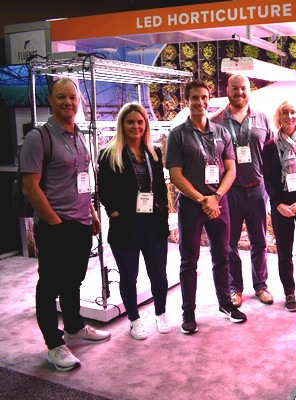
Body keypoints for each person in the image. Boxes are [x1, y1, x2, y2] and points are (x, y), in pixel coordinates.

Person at [20, 77, 110, 372]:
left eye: (72, 97)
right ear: (51, 100)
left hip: (81, 222)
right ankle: (54, 344)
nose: (68, 102)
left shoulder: (79, 135)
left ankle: (74, 327)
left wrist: (92, 213)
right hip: (55, 225)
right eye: (61, 97)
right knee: (49, 285)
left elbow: (82, 180)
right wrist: (55, 223)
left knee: (74, 280)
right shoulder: (39, 137)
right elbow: (30, 187)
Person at [166, 79, 247, 334]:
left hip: (219, 204)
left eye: (204, 97)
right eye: (195, 98)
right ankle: (188, 312)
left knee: (222, 255)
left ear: (209, 100)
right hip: (192, 205)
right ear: (186, 101)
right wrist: (203, 200)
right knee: (189, 260)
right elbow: (176, 175)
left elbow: (231, 170)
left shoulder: (221, 132)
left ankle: (225, 304)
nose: (200, 102)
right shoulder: (178, 134)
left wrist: (216, 197)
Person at [97, 102, 172, 340]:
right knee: (129, 275)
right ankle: (134, 319)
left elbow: (160, 187)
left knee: (158, 274)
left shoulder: (153, 152)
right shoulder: (109, 154)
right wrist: (114, 213)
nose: (136, 126)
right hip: (125, 225)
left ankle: (161, 313)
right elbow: (104, 190)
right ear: (122, 124)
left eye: (140, 122)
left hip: (153, 223)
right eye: (130, 122)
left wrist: (164, 213)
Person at [210, 74, 274, 308]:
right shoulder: (216, 121)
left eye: (244, 89)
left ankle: (261, 286)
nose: (240, 93)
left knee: (260, 241)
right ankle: (235, 288)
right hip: (230, 192)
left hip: (257, 189)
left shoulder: (263, 118)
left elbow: (270, 155)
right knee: (230, 243)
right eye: (235, 88)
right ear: (227, 90)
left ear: (250, 90)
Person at [263, 101, 296, 312]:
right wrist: (277, 203)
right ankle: (289, 293)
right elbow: (267, 179)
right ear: (279, 117)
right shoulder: (270, 146)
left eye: (293, 112)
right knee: (284, 253)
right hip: (281, 206)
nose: (289, 116)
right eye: (285, 113)